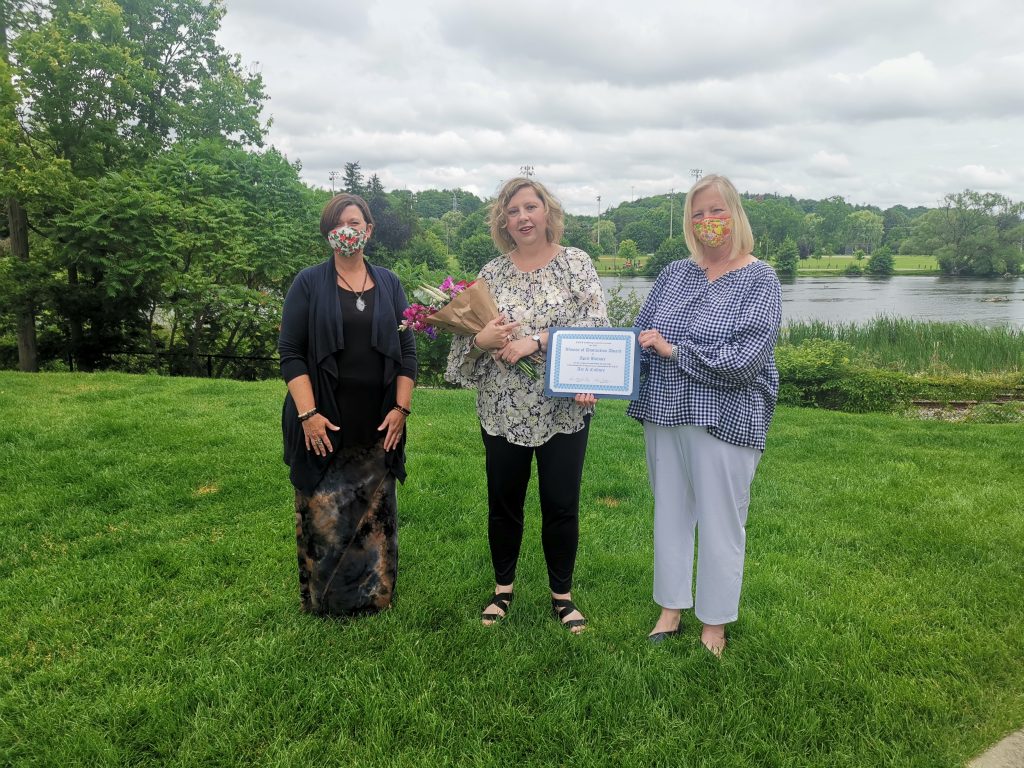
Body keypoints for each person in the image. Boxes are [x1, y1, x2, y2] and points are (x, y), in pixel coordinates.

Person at [627, 174, 782, 655]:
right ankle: (670, 608)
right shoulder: (675, 273)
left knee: (721, 521)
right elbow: (640, 336)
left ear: (735, 214)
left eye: (717, 211)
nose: (708, 222)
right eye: (698, 214)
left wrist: (675, 352)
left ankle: (714, 621)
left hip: (726, 416)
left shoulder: (760, 278)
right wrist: (600, 371)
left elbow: (746, 358)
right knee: (670, 513)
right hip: (665, 412)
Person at [446, 177, 608, 634]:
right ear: (504, 221)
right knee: (504, 502)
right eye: (512, 211)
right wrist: (484, 339)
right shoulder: (491, 273)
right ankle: (503, 589)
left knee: (561, 504)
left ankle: (562, 596)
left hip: (563, 409)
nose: (522, 217)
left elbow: (596, 326)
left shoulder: (577, 264)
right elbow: (465, 344)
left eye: (530, 207)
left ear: (547, 212)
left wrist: (533, 342)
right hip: (502, 409)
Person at [278, 193, 417, 616]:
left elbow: (408, 349)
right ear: (328, 233)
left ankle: (374, 598)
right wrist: (308, 415)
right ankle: (327, 602)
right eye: (339, 223)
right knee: (325, 516)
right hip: (322, 421)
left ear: (369, 230)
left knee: (373, 516)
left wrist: (401, 409)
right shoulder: (307, 282)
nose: (348, 231)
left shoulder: (390, 283)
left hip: (378, 421)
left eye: (355, 223)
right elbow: (291, 351)